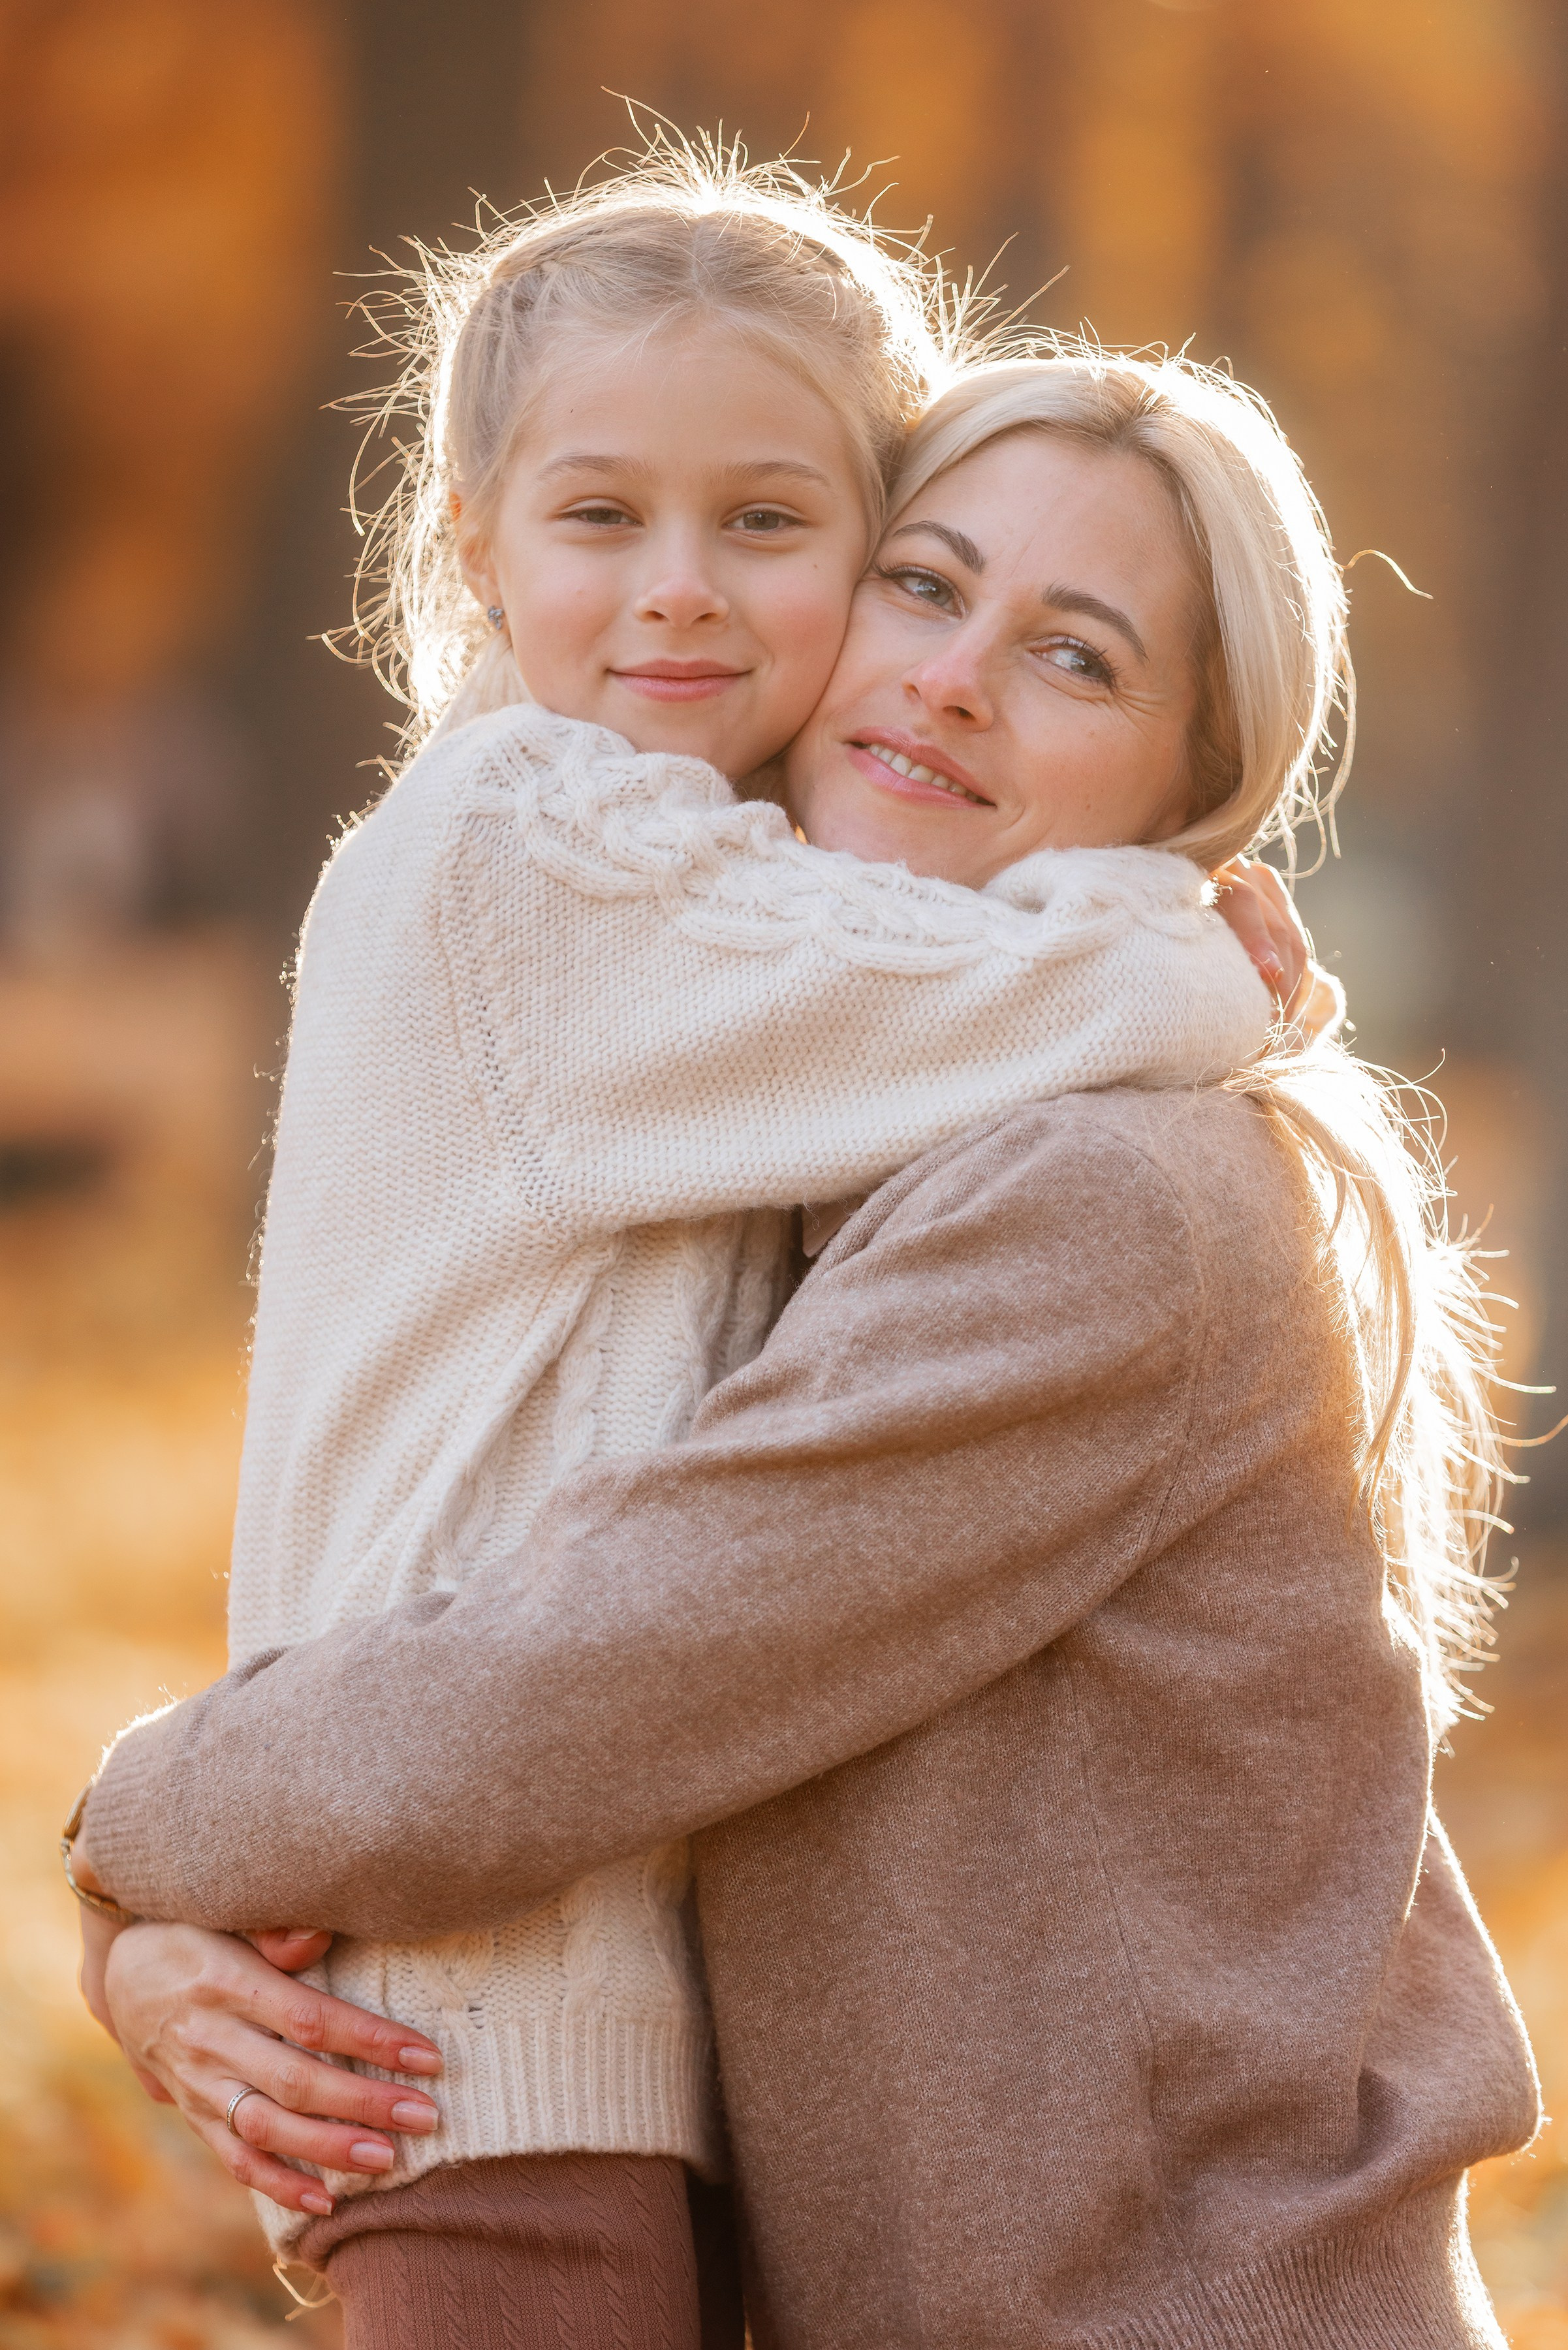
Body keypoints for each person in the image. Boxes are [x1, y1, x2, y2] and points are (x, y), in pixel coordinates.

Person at [74, 350, 1537, 2347]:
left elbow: (593, 1674)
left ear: (1193, 789)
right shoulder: (808, 1152)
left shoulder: (1110, 1200)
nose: (951, 679)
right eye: (923, 585)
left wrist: (135, 1841)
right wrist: (172, 1943)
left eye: (1077, 656)